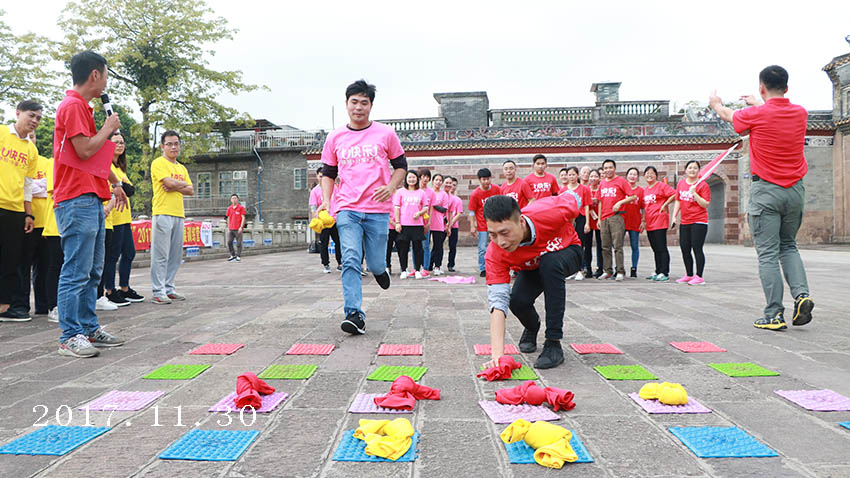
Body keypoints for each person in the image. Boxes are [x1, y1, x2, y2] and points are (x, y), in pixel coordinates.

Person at [710, 65, 813, 330]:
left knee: (767, 253)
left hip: (766, 192)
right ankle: (801, 296)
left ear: (761, 87)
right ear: (787, 88)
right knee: (788, 246)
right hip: (795, 192)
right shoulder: (801, 114)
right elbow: (775, 113)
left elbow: (728, 116)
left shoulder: (754, 115)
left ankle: (773, 314)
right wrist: (760, 103)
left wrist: (716, 104)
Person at [53, 51, 128, 356]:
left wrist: (114, 181)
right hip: (75, 198)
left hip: (92, 196)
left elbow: (93, 155)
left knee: (93, 269)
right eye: (106, 75)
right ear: (94, 75)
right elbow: (84, 149)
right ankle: (70, 335)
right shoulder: (72, 106)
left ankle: (88, 327)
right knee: (76, 270)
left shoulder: (84, 108)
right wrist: (109, 129)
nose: (106, 81)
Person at [319, 79, 403, 335]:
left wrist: (390, 187)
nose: (358, 107)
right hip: (347, 208)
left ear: (371, 105)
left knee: (376, 262)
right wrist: (326, 200)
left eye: (363, 103)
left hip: (377, 209)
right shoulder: (335, 137)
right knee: (351, 258)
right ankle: (354, 313)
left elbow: (401, 167)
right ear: (346, 104)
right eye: (354, 102)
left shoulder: (385, 133)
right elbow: (328, 173)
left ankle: (380, 270)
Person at [481, 194, 583, 370]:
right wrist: (497, 356)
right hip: (532, 266)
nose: (501, 242)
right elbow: (498, 303)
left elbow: (574, 198)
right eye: (493, 235)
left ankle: (553, 342)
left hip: (567, 252)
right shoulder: (494, 253)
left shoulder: (551, 211)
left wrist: (568, 225)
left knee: (550, 264)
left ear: (521, 222)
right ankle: (531, 327)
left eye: (505, 233)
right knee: (517, 301)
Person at [0, 100, 40, 322]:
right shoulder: (1, 133)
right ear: (18, 113)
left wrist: (28, 214)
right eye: (31, 115)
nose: (34, 121)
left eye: (38, 118)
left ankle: (5, 308)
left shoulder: (31, 149)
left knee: (10, 260)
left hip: (15, 210)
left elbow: (27, 184)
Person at [150, 130, 193, 304]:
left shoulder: (181, 167)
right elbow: (168, 183)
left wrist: (177, 185)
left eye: (176, 143)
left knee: (175, 255)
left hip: (178, 214)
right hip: (162, 212)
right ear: (162, 146)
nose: (173, 147)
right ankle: (158, 291)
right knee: (161, 255)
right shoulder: (158, 163)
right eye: (169, 144)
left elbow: (190, 189)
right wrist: (178, 185)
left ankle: (169, 288)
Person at [102, 132, 143, 306]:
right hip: (113, 217)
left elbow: (130, 190)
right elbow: (122, 188)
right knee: (112, 255)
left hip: (125, 217)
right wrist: (123, 187)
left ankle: (124, 288)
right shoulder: (105, 165)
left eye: (122, 142)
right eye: (116, 142)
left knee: (129, 253)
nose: (120, 145)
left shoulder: (120, 169)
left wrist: (123, 186)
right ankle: (109, 291)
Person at [14, 129, 50, 318]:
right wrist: (38, 185)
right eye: (27, 135)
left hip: (46, 221)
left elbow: (50, 187)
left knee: (43, 266)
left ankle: (43, 305)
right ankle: (20, 305)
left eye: (33, 136)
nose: (30, 138)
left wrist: (33, 186)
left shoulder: (46, 162)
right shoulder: (16, 161)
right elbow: (20, 186)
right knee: (22, 264)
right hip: (24, 218)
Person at [671, 160, 710, 286]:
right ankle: (689, 275)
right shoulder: (681, 184)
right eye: (690, 168)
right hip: (685, 221)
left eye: (695, 168)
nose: (692, 170)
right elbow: (678, 200)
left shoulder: (703, 185)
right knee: (685, 248)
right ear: (686, 170)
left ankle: (699, 277)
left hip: (699, 221)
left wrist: (694, 193)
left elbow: (705, 204)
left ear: (698, 171)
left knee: (697, 248)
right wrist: (674, 216)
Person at [598, 159, 636, 281]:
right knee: (605, 246)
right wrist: (599, 218)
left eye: (610, 167)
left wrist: (620, 202)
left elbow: (633, 196)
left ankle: (620, 271)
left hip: (617, 217)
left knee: (617, 246)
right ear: (603, 170)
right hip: (604, 218)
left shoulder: (621, 181)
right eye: (606, 168)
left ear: (614, 168)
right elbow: (600, 201)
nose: (608, 170)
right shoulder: (602, 183)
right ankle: (607, 270)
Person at [642, 166, 675, 282]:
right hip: (650, 223)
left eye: (652, 173)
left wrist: (665, 204)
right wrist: (644, 221)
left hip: (660, 221)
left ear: (656, 175)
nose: (649, 175)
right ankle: (657, 270)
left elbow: (674, 194)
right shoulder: (646, 190)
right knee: (655, 248)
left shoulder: (661, 186)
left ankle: (664, 272)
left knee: (661, 247)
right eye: (647, 173)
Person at [394, 170, 428, 279]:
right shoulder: (400, 192)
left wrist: (420, 213)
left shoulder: (421, 193)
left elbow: (426, 207)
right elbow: (397, 208)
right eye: (409, 177)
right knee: (403, 248)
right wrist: (397, 222)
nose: (411, 179)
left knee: (418, 248)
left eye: (414, 177)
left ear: (417, 179)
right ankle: (403, 269)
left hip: (417, 225)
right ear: (406, 179)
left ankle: (417, 269)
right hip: (404, 224)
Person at [469, 168, 501, 277]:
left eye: (488, 179)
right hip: (482, 225)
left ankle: (497, 266)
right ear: (479, 180)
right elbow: (472, 211)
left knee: (497, 245)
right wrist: (472, 226)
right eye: (484, 179)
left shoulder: (497, 189)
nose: (486, 182)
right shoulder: (475, 194)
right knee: (482, 248)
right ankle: (483, 268)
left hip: (496, 223)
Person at [560, 167, 591, 280]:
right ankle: (570, 269)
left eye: (573, 175)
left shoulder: (584, 189)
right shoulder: (562, 191)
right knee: (567, 244)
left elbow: (587, 205)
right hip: (568, 220)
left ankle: (580, 269)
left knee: (579, 244)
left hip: (580, 218)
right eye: (569, 175)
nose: (571, 177)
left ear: (577, 175)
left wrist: (587, 222)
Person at [42, 156, 61, 322]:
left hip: (73, 225)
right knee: (56, 266)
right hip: (56, 225)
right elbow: (56, 190)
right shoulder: (53, 162)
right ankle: (53, 306)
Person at [624, 167, 644, 278]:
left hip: (635, 221)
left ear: (637, 177)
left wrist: (643, 221)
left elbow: (643, 208)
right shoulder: (622, 189)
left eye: (634, 174)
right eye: (630, 174)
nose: (632, 176)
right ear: (627, 176)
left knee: (634, 246)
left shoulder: (640, 191)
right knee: (617, 246)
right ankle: (619, 268)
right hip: (622, 221)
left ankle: (634, 268)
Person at [428, 173, 450, 275]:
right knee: (425, 246)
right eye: (436, 180)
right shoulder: (427, 192)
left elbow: (444, 209)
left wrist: (434, 204)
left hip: (438, 223)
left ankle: (437, 266)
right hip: (427, 222)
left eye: (440, 180)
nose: (438, 182)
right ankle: (426, 265)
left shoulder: (444, 194)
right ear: (432, 181)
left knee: (438, 246)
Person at [586, 168, 603, 278]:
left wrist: (600, 219)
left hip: (599, 220)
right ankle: (587, 268)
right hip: (588, 220)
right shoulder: (586, 189)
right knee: (587, 246)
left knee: (600, 245)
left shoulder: (601, 188)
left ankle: (600, 268)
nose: (593, 178)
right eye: (591, 176)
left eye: (595, 176)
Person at [417, 169, 434, 275]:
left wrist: (429, 222)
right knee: (415, 246)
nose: (426, 179)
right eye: (424, 176)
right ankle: (416, 267)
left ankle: (426, 268)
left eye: (428, 177)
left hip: (425, 221)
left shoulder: (430, 192)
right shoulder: (413, 190)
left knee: (425, 245)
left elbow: (431, 208)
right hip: (414, 222)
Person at [445, 177, 462, 273]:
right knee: (437, 245)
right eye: (450, 184)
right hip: (442, 225)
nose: (452, 186)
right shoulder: (444, 196)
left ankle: (451, 264)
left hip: (454, 226)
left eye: (454, 185)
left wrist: (450, 224)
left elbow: (459, 213)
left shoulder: (457, 200)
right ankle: (432, 263)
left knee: (452, 246)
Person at [226, 194, 247, 263]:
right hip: (231, 228)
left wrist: (241, 227)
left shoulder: (241, 208)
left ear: (237, 199)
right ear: (230, 200)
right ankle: (232, 255)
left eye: (235, 198)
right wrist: (228, 227)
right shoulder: (229, 208)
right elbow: (228, 218)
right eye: (232, 198)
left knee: (238, 243)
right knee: (229, 242)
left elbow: (243, 217)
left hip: (238, 228)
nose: (234, 199)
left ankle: (238, 256)